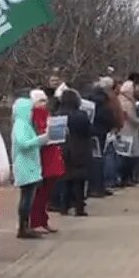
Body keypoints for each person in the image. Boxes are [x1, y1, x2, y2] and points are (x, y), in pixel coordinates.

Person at [11, 95, 48, 239]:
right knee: (26, 197)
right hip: (25, 165)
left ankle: (25, 225)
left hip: (29, 165)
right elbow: (23, 143)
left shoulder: (24, 124)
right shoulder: (21, 124)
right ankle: (23, 227)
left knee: (29, 197)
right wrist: (41, 139)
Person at [29, 89, 63, 234]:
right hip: (42, 158)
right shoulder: (32, 118)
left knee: (45, 193)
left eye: (44, 101)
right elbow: (37, 137)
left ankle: (43, 220)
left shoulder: (47, 115)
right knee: (39, 193)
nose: (43, 104)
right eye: (40, 101)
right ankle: (36, 221)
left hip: (51, 156)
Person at [57, 88, 92, 217]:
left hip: (62, 148)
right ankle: (79, 207)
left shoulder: (57, 115)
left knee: (65, 179)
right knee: (79, 180)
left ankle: (64, 206)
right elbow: (88, 131)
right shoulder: (81, 115)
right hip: (79, 148)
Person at [86, 78, 116, 198]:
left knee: (92, 160)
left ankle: (92, 187)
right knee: (100, 160)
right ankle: (98, 187)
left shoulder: (88, 103)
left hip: (90, 133)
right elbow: (109, 118)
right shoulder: (104, 104)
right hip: (101, 134)